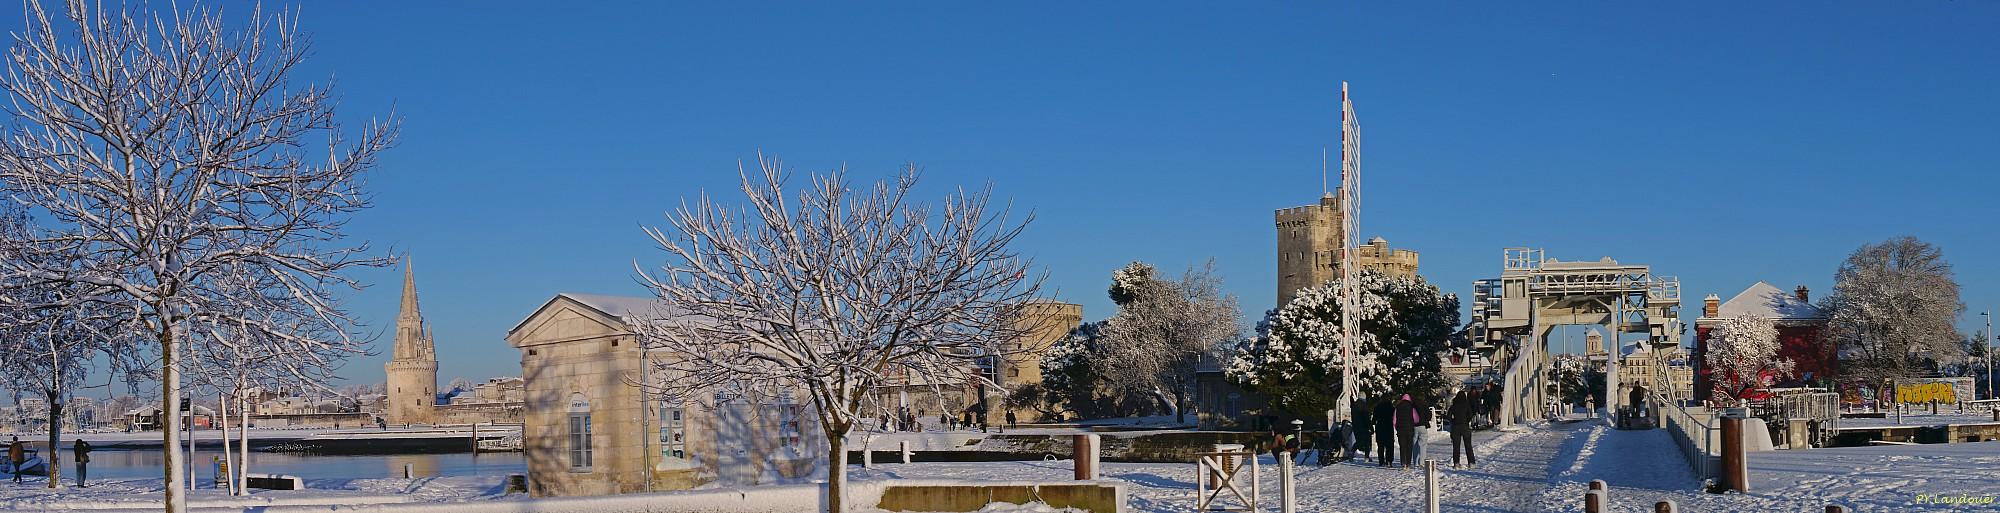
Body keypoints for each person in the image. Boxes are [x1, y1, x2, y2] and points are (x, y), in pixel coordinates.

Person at [1449, 389, 1477, 468]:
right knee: (1468, 446)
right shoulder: (1466, 405)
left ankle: (1456, 463)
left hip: (1456, 427)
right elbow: (1470, 415)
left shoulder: (1453, 406)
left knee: (1456, 447)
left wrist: (1453, 421)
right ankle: (1471, 463)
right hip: (1465, 426)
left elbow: (1448, 416)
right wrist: (1467, 421)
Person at [1394, 393, 1419, 469]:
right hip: (1409, 429)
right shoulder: (1412, 407)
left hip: (1401, 429)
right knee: (1409, 446)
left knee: (1402, 446)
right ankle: (1408, 463)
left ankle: (1403, 462)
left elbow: (1394, 420)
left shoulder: (1397, 407)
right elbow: (1416, 419)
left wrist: (1396, 427)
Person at [1372, 397, 1395, 467]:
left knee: (1380, 445)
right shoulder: (1391, 408)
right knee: (1389, 446)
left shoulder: (1377, 407)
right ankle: (1389, 461)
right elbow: (1394, 417)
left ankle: (1381, 461)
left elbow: (1374, 419)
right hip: (1389, 427)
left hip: (1380, 428)